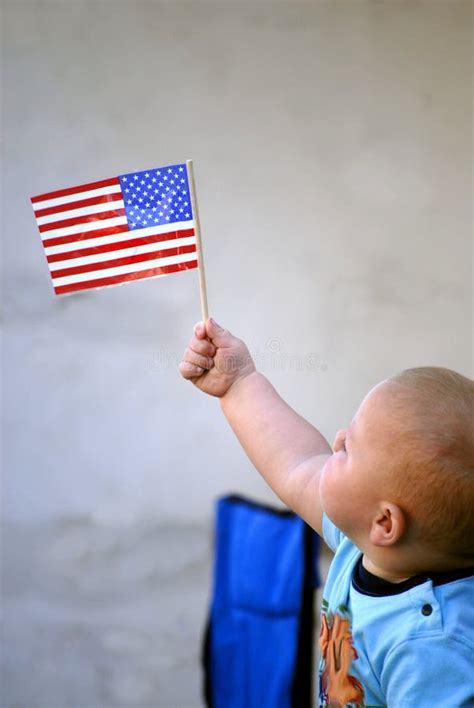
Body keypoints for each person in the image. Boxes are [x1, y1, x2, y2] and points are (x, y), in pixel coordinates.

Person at [179, 318, 474, 707]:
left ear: (385, 522)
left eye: (348, 448)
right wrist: (238, 383)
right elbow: (296, 462)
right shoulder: (364, 543)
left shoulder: (432, 648)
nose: (335, 441)